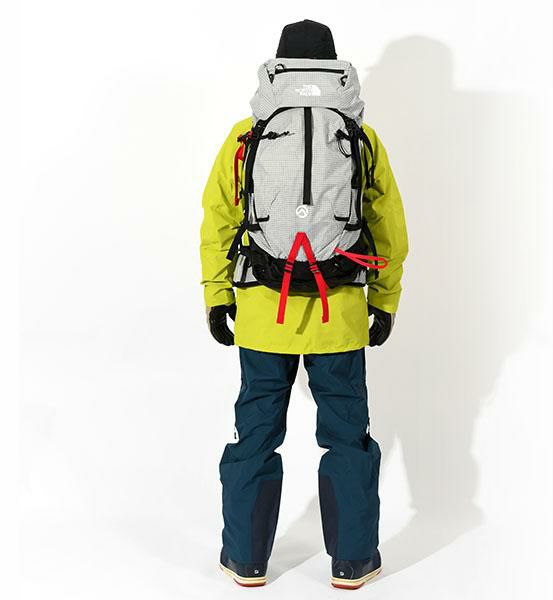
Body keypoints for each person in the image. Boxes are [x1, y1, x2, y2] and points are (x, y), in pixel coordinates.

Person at [200, 19, 408, 589]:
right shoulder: (361, 137)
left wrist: (218, 295)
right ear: (335, 67)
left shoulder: (247, 135)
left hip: (262, 315)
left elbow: (219, 218)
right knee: (346, 437)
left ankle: (246, 560)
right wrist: (384, 300)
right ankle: (353, 562)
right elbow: (390, 227)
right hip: (338, 314)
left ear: (278, 67)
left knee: (255, 436)